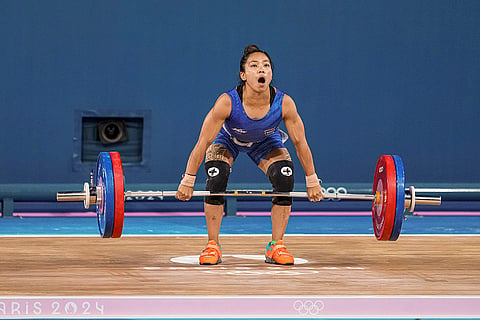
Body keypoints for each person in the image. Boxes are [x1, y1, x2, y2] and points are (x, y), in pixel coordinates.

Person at [176, 45, 323, 265]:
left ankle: (276, 245)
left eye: (266, 66)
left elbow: (300, 142)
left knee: (285, 175)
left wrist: (312, 180)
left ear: (271, 74)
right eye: (254, 66)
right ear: (244, 75)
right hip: (228, 140)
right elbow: (203, 142)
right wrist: (188, 179)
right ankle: (212, 244)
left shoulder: (284, 103)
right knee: (217, 176)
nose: (261, 70)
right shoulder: (227, 102)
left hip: (265, 142)